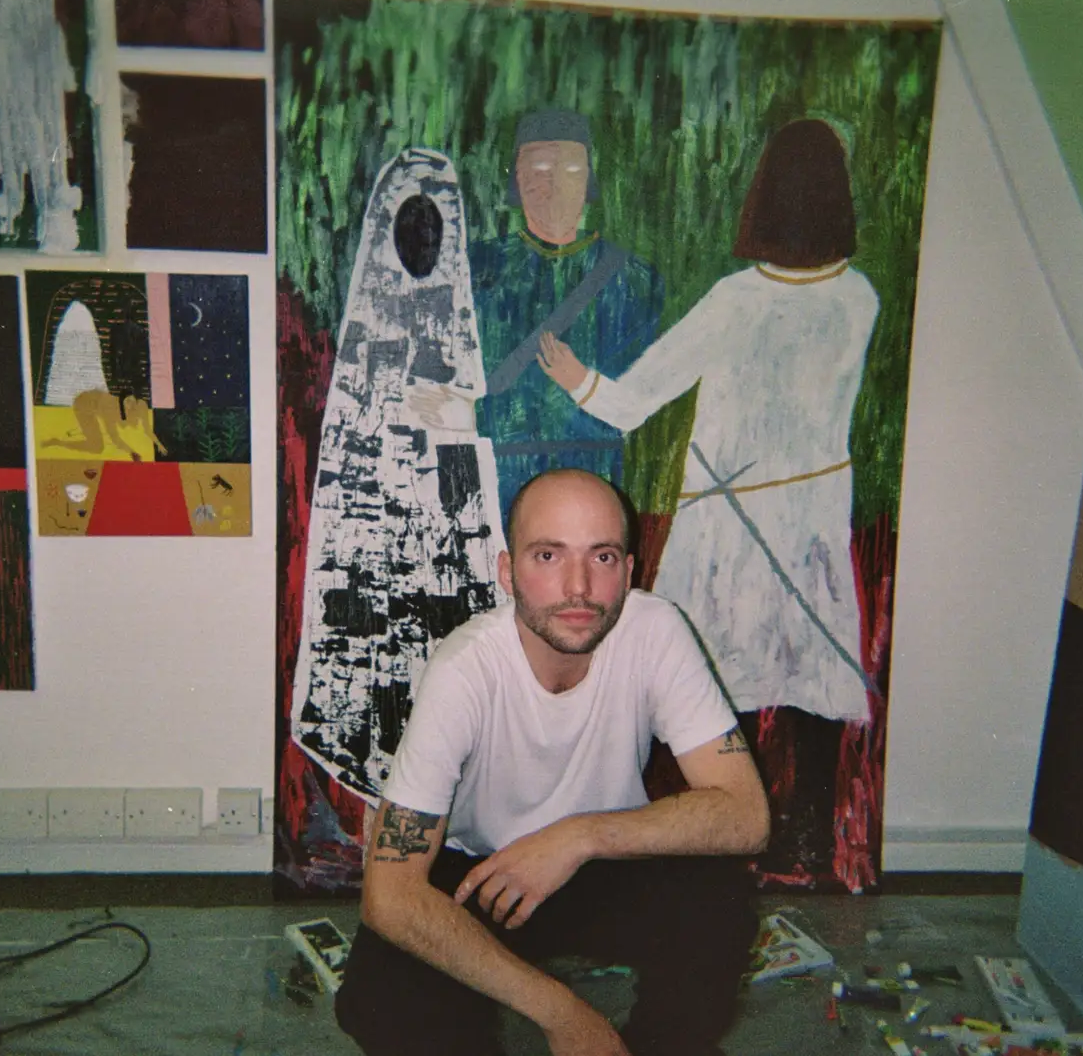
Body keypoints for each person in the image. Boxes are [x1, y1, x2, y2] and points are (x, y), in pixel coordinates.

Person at [335, 468, 770, 1056]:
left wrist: (577, 836)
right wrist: (563, 1015)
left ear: (630, 570)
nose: (580, 588)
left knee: (716, 902)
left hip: (600, 864)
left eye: (604, 557)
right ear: (508, 572)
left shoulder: (655, 630)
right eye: (548, 555)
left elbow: (747, 817)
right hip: (478, 875)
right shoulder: (467, 667)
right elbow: (388, 894)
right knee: (381, 997)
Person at [536, 118, 881, 723]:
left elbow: (632, 404)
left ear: (765, 196)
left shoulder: (737, 301)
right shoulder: (859, 298)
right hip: (813, 515)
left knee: (703, 689)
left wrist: (575, 378)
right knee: (807, 683)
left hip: (730, 523)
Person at [291, 147, 506, 811]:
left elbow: (469, 465)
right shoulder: (366, 330)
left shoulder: (464, 322)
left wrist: (458, 418)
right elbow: (350, 457)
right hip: (377, 530)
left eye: (435, 228)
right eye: (411, 226)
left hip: (442, 528)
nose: (423, 243)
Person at [467, 110, 664, 521]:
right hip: (495, 466)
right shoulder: (476, 268)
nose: (555, 182)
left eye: (572, 168)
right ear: (516, 179)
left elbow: (636, 395)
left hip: (592, 470)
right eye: (539, 167)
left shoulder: (635, 279)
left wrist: (580, 382)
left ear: (589, 179)